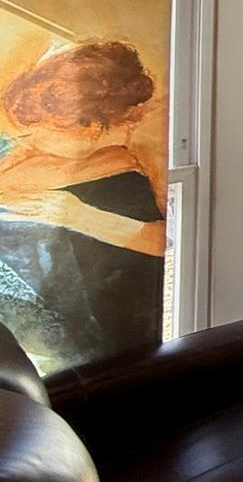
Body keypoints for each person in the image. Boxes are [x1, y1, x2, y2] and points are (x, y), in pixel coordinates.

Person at [0, 39, 166, 371]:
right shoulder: (26, 145)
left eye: (43, 132)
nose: (32, 139)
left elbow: (165, 241)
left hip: (83, 341)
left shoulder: (138, 154)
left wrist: (79, 216)